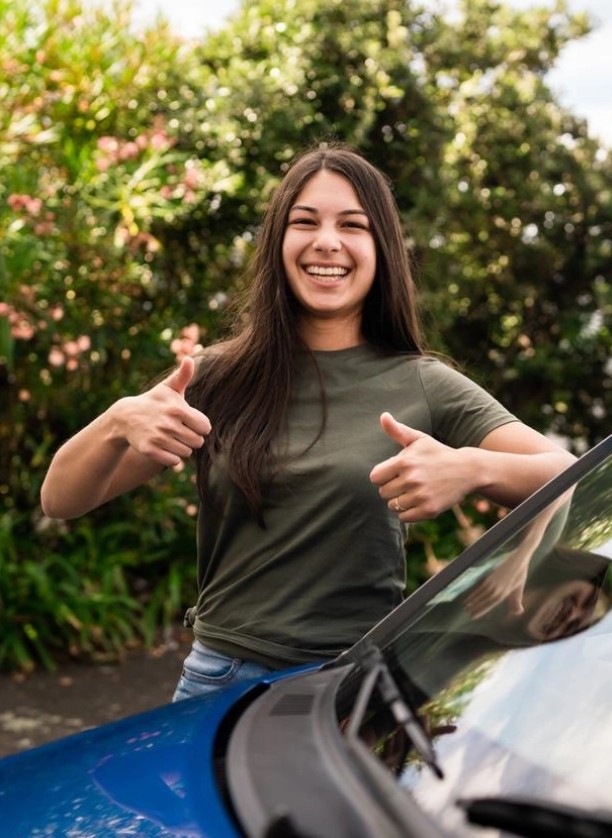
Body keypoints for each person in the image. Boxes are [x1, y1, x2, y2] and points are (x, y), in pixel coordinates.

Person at [39, 144, 576, 701]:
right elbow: (61, 499)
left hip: (353, 687)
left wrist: (470, 469)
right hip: (219, 682)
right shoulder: (218, 376)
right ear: (278, 243)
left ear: (381, 249)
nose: (327, 241)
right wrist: (119, 420)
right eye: (305, 222)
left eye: (352, 225)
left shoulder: (422, 382)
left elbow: (565, 470)